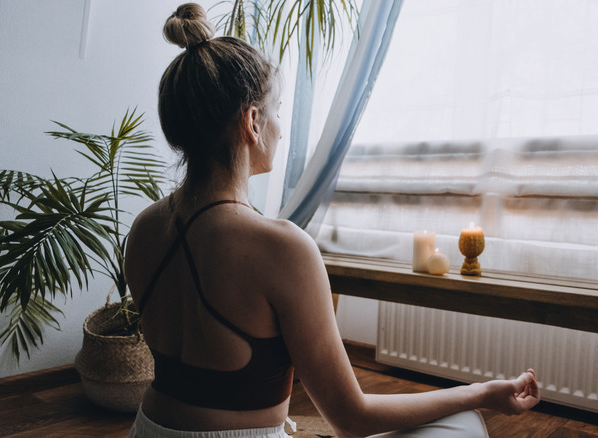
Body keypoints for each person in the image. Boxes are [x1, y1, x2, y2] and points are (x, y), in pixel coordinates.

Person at [125, 3, 540, 437]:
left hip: (147, 430)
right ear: (252, 122)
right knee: (465, 422)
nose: (281, 128)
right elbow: (352, 419)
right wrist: (480, 392)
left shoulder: (144, 229)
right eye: (277, 110)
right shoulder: (281, 247)